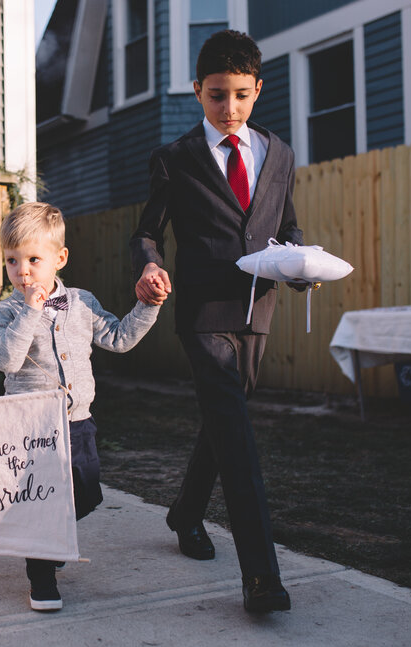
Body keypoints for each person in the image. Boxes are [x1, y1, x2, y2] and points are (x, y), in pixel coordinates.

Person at [130, 29, 309, 614]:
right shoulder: (175, 159)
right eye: (215, 95)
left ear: (257, 89)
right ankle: (261, 577)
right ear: (196, 92)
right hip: (202, 314)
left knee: (223, 420)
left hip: (259, 310)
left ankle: (185, 513)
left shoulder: (278, 153)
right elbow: (147, 232)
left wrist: (302, 265)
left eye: (239, 94)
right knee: (236, 435)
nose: (228, 108)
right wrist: (151, 266)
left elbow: (288, 227)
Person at [0, 202, 162, 612]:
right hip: (30, 425)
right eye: (12, 261)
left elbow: (118, 338)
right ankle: (42, 575)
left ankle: (52, 539)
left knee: (86, 493)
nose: (22, 271)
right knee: (40, 499)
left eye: (33, 259)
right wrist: (31, 310)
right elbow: (5, 360)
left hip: (77, 420)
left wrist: (148, 307)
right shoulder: (7, 310)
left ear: (59, 258)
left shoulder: (81, 302)